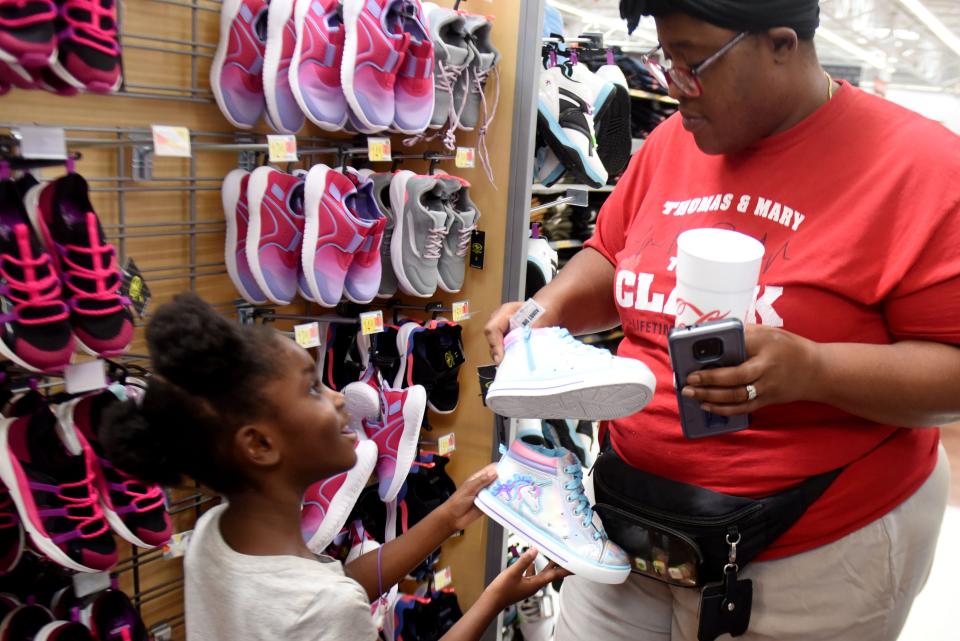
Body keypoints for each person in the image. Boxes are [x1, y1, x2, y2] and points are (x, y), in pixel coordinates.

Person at [485, 1, 960, 640]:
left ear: (782, 45)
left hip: (812, 552)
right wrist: (550, 309)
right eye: (666, 61)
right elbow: (613, 252)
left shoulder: (922, 167)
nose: (675, 86)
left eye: (693, 62)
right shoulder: (676, 140)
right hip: (629, 526)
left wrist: (813, 369)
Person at [102, 293, 565, 641]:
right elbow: (326, 603)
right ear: (260, 445)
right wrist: (494, 599)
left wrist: (445, 518)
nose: (339, 396)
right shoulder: (324, 608)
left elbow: (327, 588)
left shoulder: (215, 534)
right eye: (311, 389)